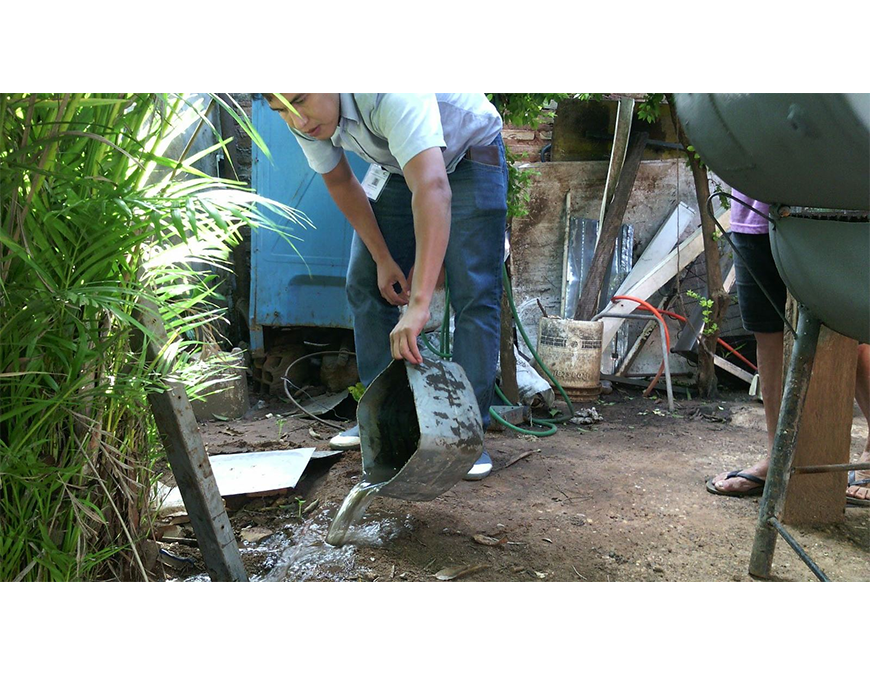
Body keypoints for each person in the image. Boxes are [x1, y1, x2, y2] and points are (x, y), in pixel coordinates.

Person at [262, 92, 508, 480]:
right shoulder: (304, 117)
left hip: (468, 154)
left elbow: (433, 188)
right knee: (363, 284)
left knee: (474, 293)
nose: (298, 121)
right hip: (395, 164)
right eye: (282, 112)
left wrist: (419, 303)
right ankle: (381, 421)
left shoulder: (390, 95)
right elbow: (341, 181)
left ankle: (463, 436)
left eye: (301, 101)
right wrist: (382, 258)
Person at [706, 190, 870, 506]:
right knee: (768, 336)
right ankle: (777, 455)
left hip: (834, 209)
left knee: (854, 334)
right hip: (755, 212)